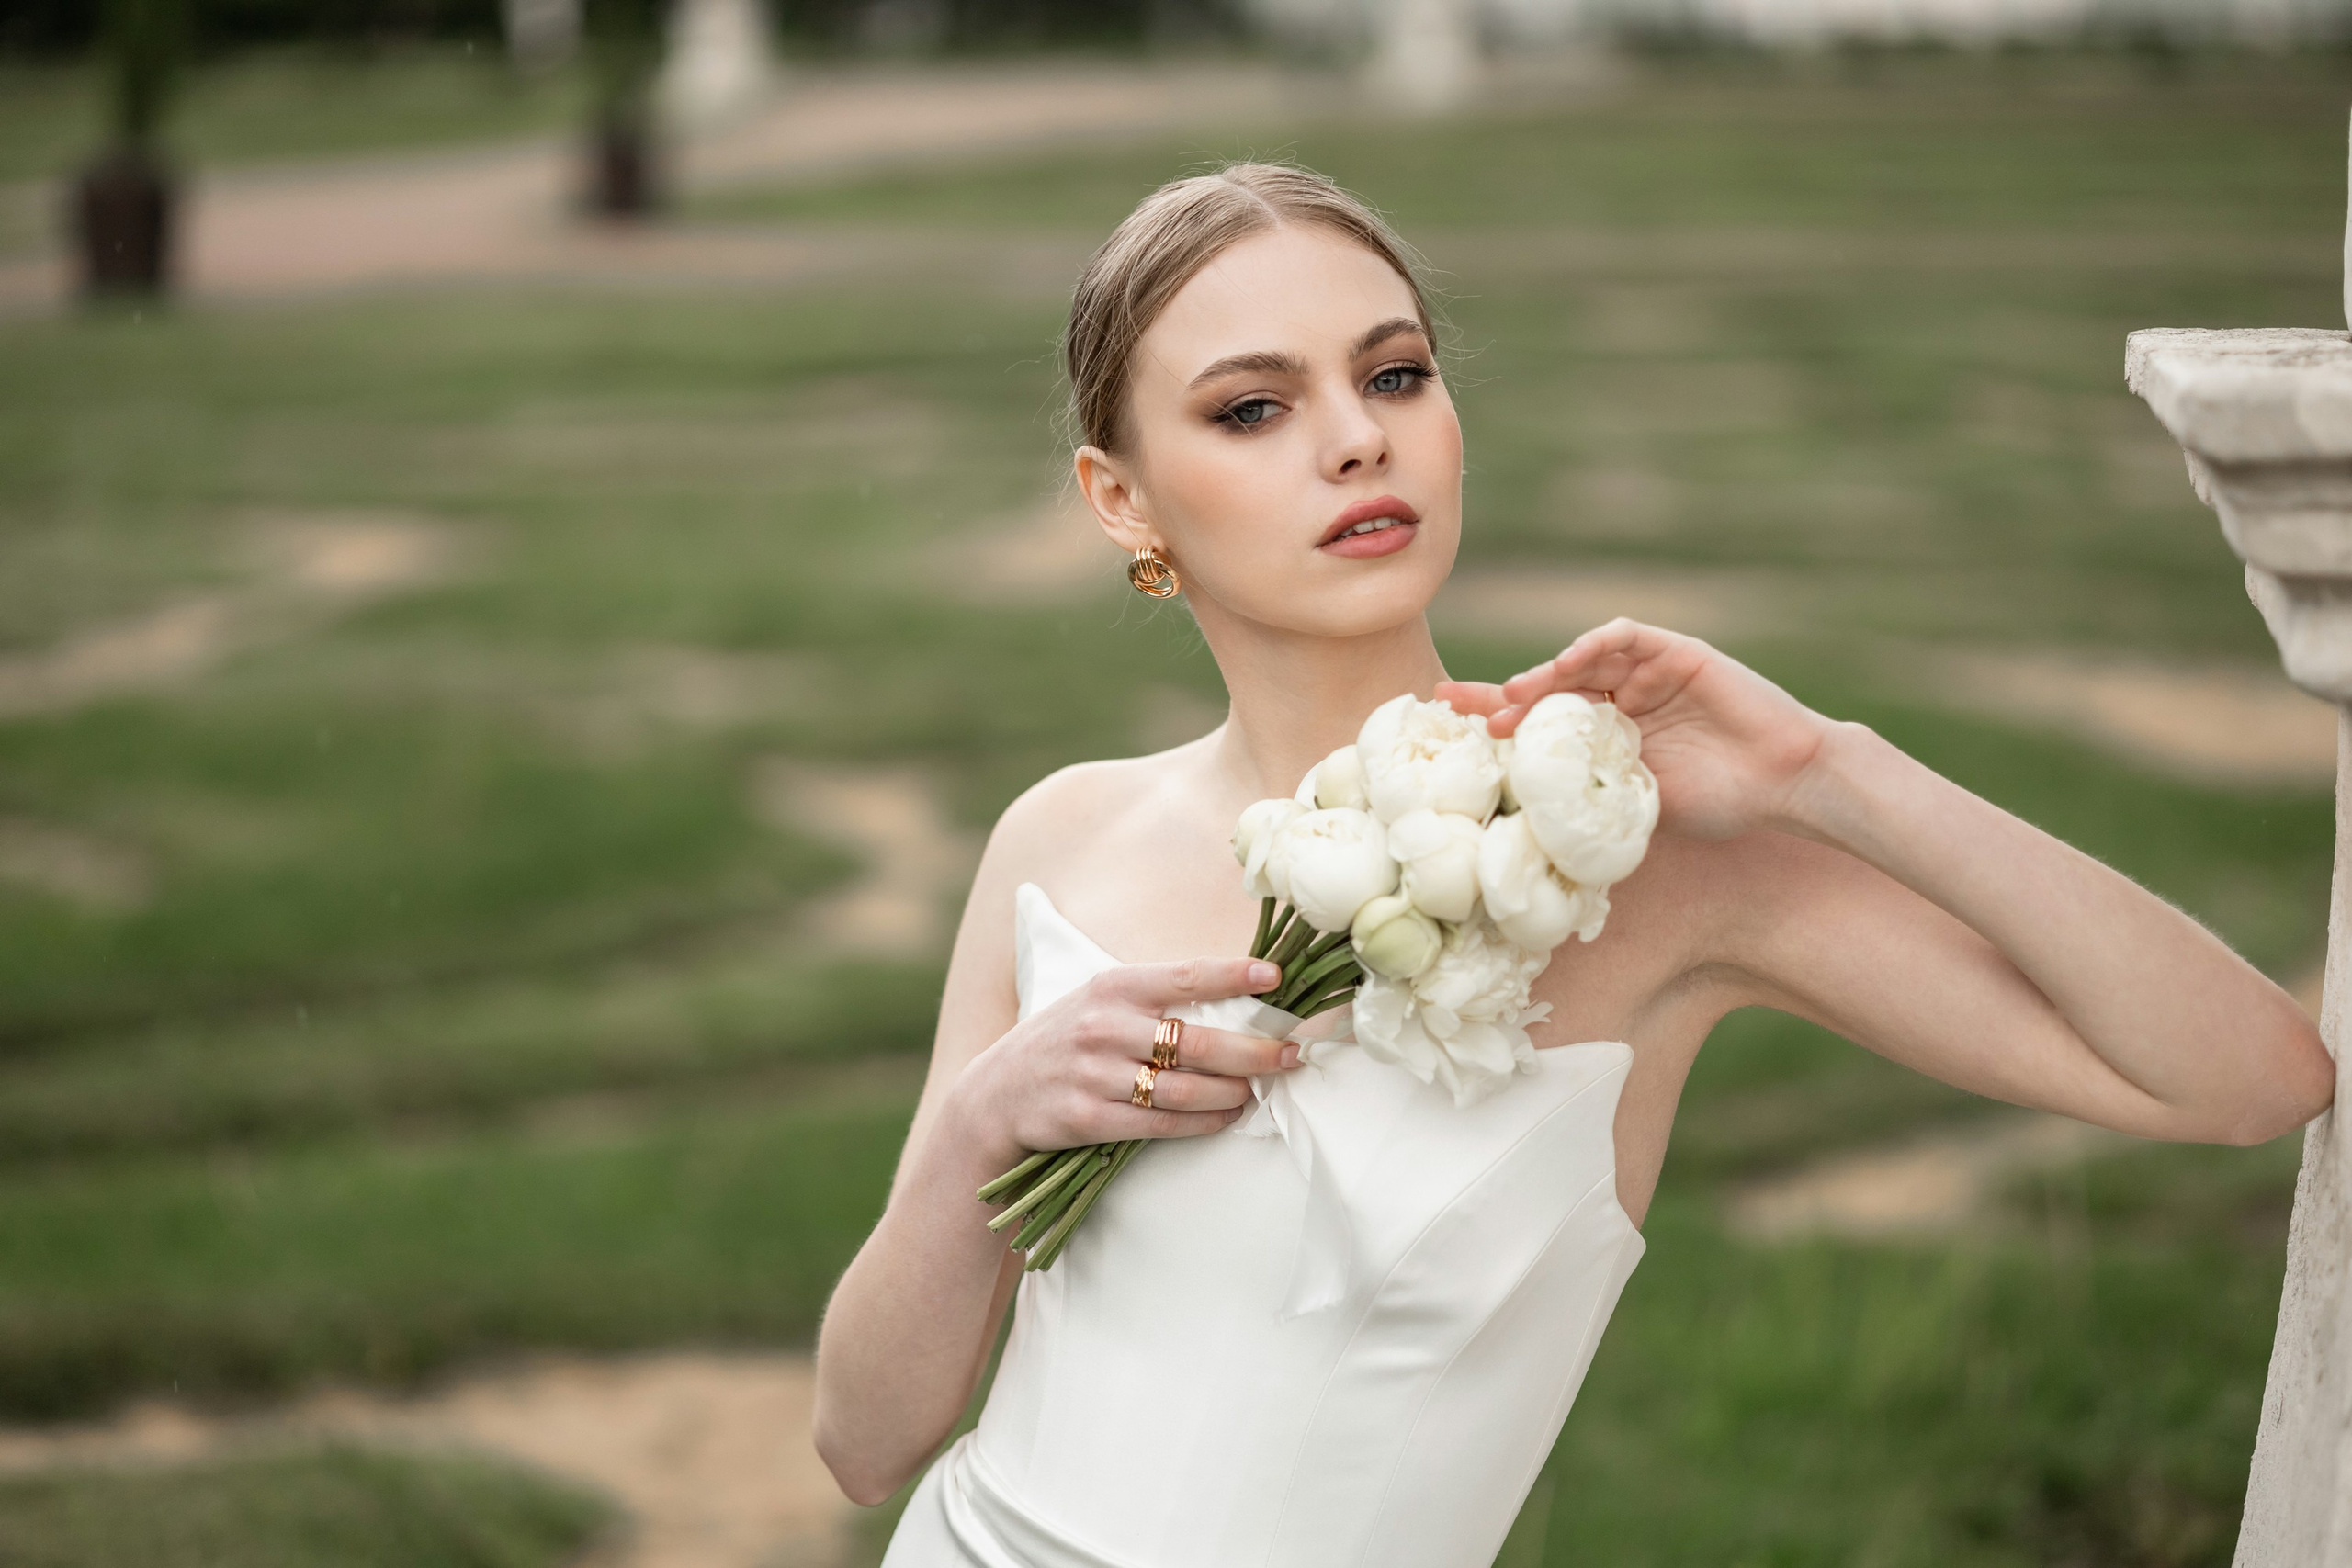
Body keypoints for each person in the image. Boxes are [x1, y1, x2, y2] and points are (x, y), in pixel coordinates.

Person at [812, 162, 2334, 1566]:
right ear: (1123, 501)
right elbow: (865, 1439)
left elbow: (2249, 1077)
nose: (1359, 435)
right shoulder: (1060, 841)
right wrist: (972, 1136)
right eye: (1252, 409)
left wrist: (1828, 771)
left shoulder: (1661, 883)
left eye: (1395, 374)